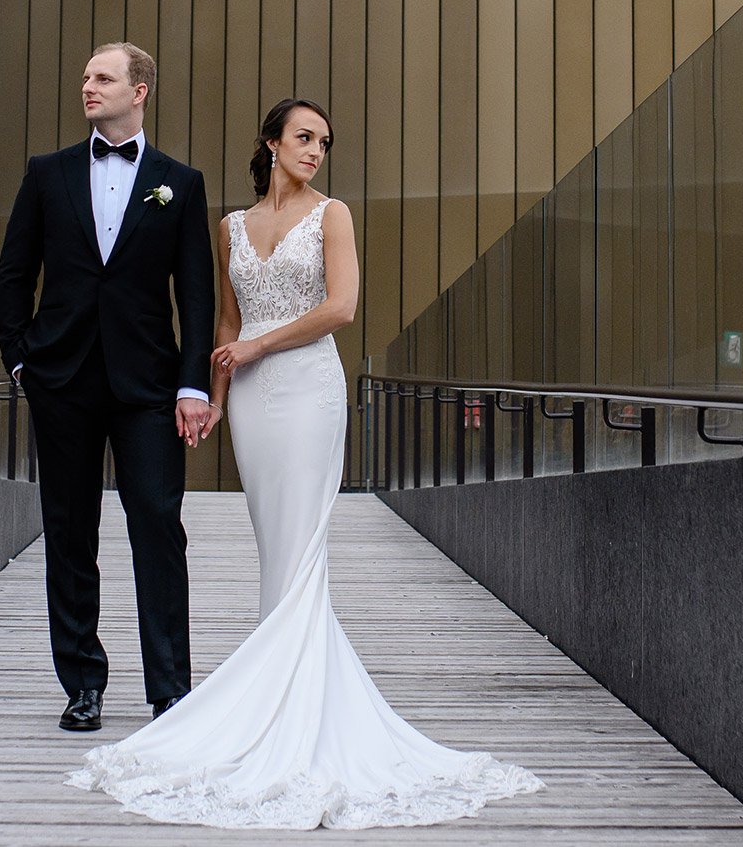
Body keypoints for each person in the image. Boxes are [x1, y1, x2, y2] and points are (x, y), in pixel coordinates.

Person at [70, 97, 542, 830]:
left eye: (323, 140)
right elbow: (226, 321)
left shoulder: (334, 214)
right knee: (275, 551)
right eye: (303, 137)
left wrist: (259, 346)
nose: (315, 150)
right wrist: (215, 396)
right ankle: (276, 698)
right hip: (253, 401)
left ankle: (286, 712)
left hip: (309, 388)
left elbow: (343, 308)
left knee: (302, 553)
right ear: (271, 142)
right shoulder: (231, 225)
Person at [0, 41, 216, 734]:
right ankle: (82, 683)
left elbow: (198, 295)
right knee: (69, 532)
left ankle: (170, 689)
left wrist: (192, 385)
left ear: (139, 89)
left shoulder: (180, 180)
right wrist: (21, 360)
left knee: (156, 526)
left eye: (103, 76)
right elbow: (13, 274)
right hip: (60, 380)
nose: (87, 85)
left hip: (149, 384)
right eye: (85, 74)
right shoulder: (47, 172)